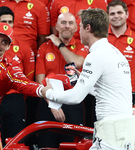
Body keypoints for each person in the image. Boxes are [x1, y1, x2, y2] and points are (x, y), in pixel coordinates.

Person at [42, 8, 135, 149]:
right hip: (120, 129)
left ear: (88, 28)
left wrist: (47, 93)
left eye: (79, 26)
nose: (78, 31)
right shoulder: (115, 52)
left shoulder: (96, 56)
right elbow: (106, 91)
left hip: (112, 132)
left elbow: (75, 97)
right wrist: (86, 83)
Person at [35, 12, 88, 148]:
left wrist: (59, 45)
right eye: (63, 23)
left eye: (71, 23)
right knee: (47, 146)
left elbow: (77, 63)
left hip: (73, 103)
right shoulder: (44, 48)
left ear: (76, 28)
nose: (67, 26)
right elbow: (40, 80)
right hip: (48, 103)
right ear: (56, 26)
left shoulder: (82, 47)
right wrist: (53, 104)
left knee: (71, 146)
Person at [0, 6, 35, 146]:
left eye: (10, 22)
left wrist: (17, 96)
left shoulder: (24, 47)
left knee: (15, 141)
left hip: (16, 100)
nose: (8, 25)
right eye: (4, 22)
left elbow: (28, 77)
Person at [107, 0, 135, 109]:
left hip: (131, 93)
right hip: (107, 93)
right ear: (107, 16)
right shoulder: (100, 37)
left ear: (127, 14)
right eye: (112, 14)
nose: (116, 16)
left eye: (120, 13)